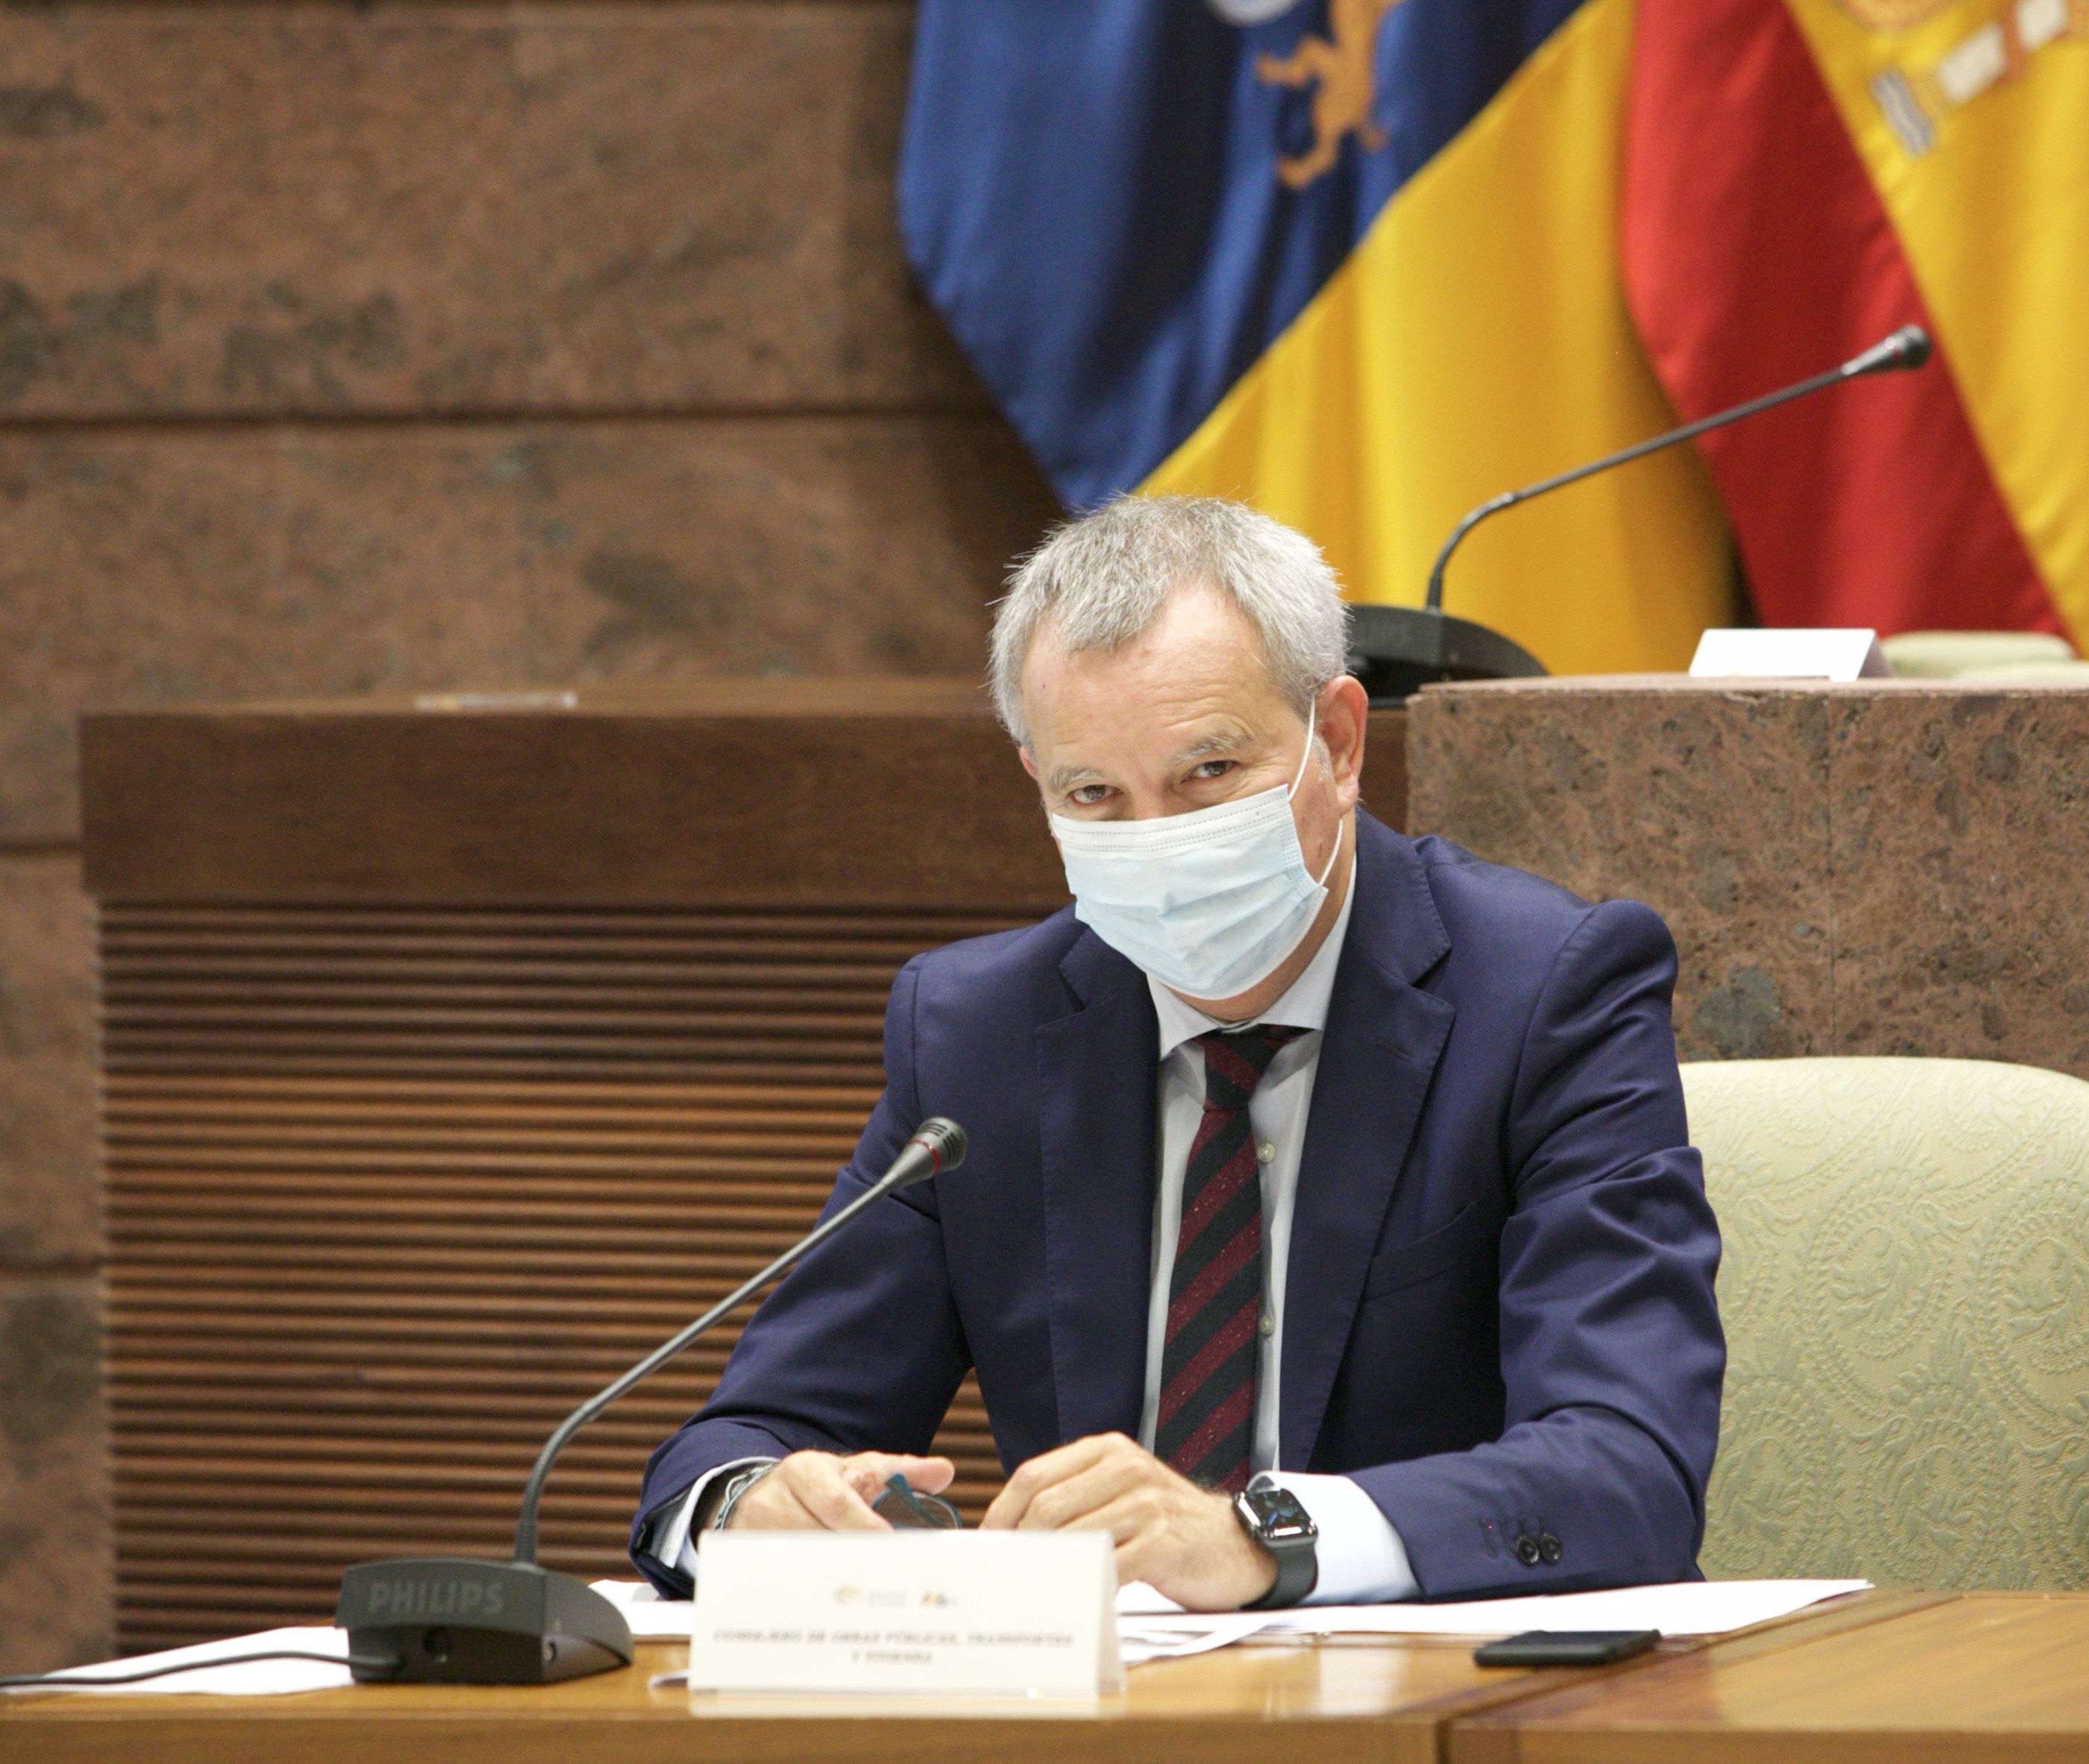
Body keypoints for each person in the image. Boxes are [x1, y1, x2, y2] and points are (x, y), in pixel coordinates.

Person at [630, 495, 1723, 1610]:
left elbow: (1627, 1465)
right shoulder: (976, 1036)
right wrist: (750, 1504)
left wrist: (1260, 1537)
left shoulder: (1545, 991)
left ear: (1338, 743)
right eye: (1095, 793)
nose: (1157, 839)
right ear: (1038, 785)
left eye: (1207, 772)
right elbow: (747, 1434)